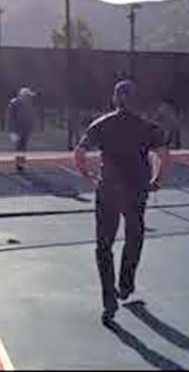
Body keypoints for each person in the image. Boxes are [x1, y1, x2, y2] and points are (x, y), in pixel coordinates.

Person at [73, 79, 170, 325]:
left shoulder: (101, 125)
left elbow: (79, 153)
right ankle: (125, 285)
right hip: (136, 190)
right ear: (135, 99)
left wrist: (87, 176)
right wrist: (157, 179)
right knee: (134, 237)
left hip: (108, 192)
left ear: (115, 99)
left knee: (103, 246)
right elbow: (164, 156)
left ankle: (109, 300)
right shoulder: (148, 127)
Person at [6, 86, 38, 171]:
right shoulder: (14, 103)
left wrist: (32, 126)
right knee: (18, 146)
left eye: (29, 96)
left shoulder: (28, 104)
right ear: (22, 95)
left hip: (25, 129)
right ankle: (18, 164)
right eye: (27, 96)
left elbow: (30, 116)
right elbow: (10, 117)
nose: (28, 98)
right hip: (17, 129)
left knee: (23, 146)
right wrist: (11, 129)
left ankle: (22, 163)